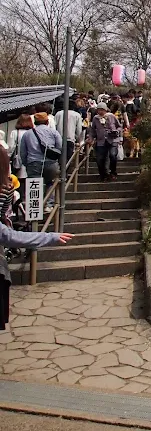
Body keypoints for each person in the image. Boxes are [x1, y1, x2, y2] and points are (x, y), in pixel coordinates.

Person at [0, 146, 73, 329]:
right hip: (46, 165)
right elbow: (8, 234)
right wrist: (49, 237)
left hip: (31, 167)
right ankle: (48, 204)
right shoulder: (7, 186)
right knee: (47, 183)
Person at [20, 112, 63, 211]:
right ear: (47, 121)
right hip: (51, 162)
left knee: (34, 184)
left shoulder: (27, 134)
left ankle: (34, 209)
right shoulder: (54, 132)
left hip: (33, 162)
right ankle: (48, 205)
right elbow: (59, 147)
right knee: (51, 182)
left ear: (34, 122)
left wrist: (26, 163)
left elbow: (23, 151)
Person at [87, 102, 121, 182]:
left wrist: (117, 132)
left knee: (113, 155)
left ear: (105, 110)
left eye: (102, 110)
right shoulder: (95, 118)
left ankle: (113, 172)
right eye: (98, 110)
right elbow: (92, 130)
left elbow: (119, 126)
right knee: (100, 159)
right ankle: (103, 175)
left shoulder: (111, 116)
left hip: (112, 139)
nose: (100, 112)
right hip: (101, 140)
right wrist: (91, 138)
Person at [7, 114, 33, 204]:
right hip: (31, 160)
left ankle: (19, 200)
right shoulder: (33, 132)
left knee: (19, 181)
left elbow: (11, 147)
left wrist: (7, 158)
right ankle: (28, 199)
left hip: (19, 160)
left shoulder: (15, 132)